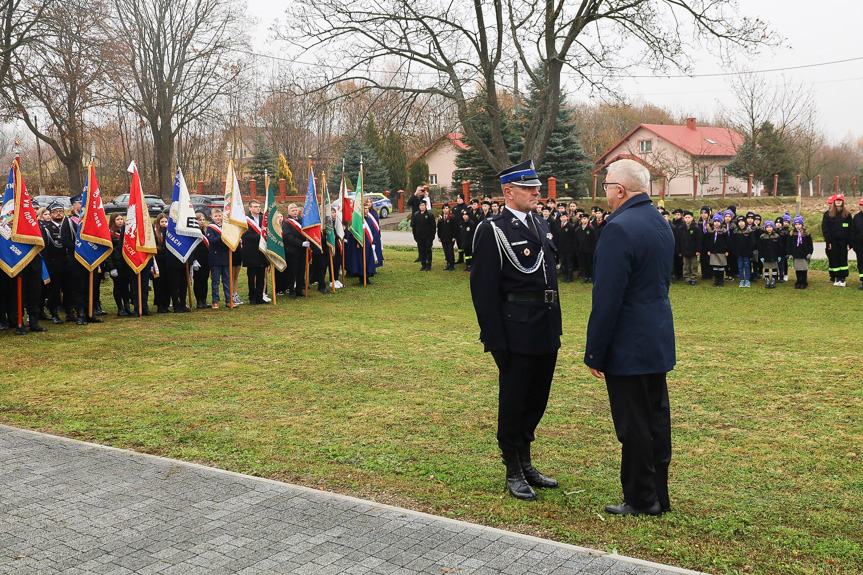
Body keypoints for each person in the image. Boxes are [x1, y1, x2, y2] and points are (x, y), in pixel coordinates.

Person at [584, 159, 675, 517]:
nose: (604, 192)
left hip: (628, 343)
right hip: (655, 337)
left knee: (633, 425)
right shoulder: (658, 221)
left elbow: (608, 297)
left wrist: (595, 352)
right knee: (655, 420)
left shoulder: (619, 227)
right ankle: (659, 495)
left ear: (620, 190)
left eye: (606, 185)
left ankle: (641, 498)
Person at [470, 159, 561, 502]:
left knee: (537, 399)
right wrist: (494, 339)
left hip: (545, 326)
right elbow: (483, 290)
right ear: (508, 192)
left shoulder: (539, 223)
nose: (537, 192)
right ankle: (512, 467)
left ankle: (526, 462)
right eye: (529, 188)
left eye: (537, 187)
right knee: (514, 401)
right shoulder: (493, 229)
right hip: (515, 330)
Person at [822, 194, 852, 287]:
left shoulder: (847, 215)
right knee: (834, 259)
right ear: (834, 202)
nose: (838, 201)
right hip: (833, 242)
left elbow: (851, 230)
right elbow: (825, 229)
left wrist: (849, 243)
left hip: (843, 242)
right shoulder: (828, 214)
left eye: (840, 200)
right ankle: (837, 278)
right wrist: (828, 242)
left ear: (843, 202)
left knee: (843, 259)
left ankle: (843, 278)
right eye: (837, 200)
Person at [242, 200, 268, 304]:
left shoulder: (263, 219)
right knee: (252, 276)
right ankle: (252, 297)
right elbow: (246, 236)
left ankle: (259, 296)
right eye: (255, 206)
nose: (258, 208)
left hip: (261, 251)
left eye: (259, 206)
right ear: (250, 208)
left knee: (261, 275)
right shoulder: (245, 220)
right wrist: (261, 236)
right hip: (251, 252)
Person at [106, 213, 133, 316]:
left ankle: (127, 306)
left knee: (126, 286)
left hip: (126, 264)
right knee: (118, 286)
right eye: (118, 219)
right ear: (113, 221)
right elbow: (109, 252)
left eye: (122, 219)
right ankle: (120, 308)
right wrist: (111, 268)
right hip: (116, 265)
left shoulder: (126, 232)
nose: (120, 221)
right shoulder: (110, 234)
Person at [206, 208, 231, 309]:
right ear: (212, 217)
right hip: (215, 258)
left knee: (227, 280)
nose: (218, 218)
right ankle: (215, 301)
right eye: (216, 216)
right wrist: (222, 236)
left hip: (225, 256)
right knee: (215, 281)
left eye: (219, 216)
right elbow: (212, 240)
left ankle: (229, 300)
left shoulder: (226, 226)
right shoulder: (210, 228)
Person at [191, 212, 211, 308]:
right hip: (197, 260)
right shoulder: (194, 232)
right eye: (200, 220)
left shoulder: (205, 231)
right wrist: (194, 260)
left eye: (203, 220)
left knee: (205, 280)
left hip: (206, 260)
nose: (202, 222)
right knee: (198, 281)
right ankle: (199, 301)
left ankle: (204, 299)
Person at [675, 210, 700, 286]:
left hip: (693, 250)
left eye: (689, 217)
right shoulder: (681, 229)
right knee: (686, 265)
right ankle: (687, 278)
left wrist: (698, 250)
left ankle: (694, 278)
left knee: (694, 265)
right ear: (683, 218)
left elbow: (699, 240)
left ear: (692, 218)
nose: (687, 219)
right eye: (686, 217)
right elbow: (678, 241)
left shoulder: (696, 228)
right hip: (684, 250)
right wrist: (679, 251)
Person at [704, 213, 729, 287]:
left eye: (718, 222)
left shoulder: (724, 231)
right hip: (713, 251)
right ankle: (716, 280)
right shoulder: (711, 231)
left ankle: (721, 280)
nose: (716, 223)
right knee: (715, 266)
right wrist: (708, 250)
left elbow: (727, 241)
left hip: (721, 251)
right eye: (715, 221)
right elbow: (708, 241)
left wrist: (727, 250)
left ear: (721, 222)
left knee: (721, 266)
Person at [789, 215, 813, 289]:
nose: (797, 226)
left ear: (802, 225)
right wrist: (790, 253)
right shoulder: (792, 234)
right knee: (798, 269)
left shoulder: (806, 234)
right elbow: (789, 245)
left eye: (799, 224)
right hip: (796, 254)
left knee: (803, 268)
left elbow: (810, 245)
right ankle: (798, 280)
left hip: (804, 254)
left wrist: (809, 253)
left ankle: (804, 281)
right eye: (796, 224)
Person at [411, 200, 436, 271]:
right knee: (421, 251)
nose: (421, 207)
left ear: (426, 206)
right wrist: (415, 235)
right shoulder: (416, 215)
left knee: (428, 250)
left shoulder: (430, 215)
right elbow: (414, 226)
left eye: (423, 205)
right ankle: (423, 264)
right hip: (419, 237)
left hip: (428, 237)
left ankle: (428, 265)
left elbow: (433, 227)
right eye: (420, 205)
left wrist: (432, 237)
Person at [731, 215, 754, 288]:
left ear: (745, 222)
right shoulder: (735, 231)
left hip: (747, 252)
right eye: (739, 222)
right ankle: (741, 280)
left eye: (742, 221)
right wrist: (734, 251)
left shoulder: (749, 231)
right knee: (740, 266)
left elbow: (752, 242)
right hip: (738, 252)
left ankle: (747, 280)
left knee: (747, 266)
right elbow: (733, 242)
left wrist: (750, 251)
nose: (741, 223)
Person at [758, 220, 781, 289]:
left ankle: (773, 280)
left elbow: (780, 247)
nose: (769, 228)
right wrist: (761, 256)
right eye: (767, 227)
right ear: (765, 228)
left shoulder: (777, 236)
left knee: (774, 269)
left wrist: (779, 255)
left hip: (774, 255)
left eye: (770, 227)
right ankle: (767, 281)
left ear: (773, 228)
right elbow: (760, 247)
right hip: (766, 256)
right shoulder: (762, 237)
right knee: (767, 269)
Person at [575, 212, 596, 283]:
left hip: (589, 250)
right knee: (584, 264)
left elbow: (593, 241)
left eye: (585, 219)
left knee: (589, 264)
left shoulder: (591, 229)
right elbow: (576, 240)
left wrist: (593, 250)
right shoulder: (578, 229)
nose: (583, 220)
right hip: (581, 250)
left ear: (588, 219)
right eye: (582, 219)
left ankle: (591, 277)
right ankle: (586, 276)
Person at [437, 203, 457, 271]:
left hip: (450, 237)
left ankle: (452, 264)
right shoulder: (441, 218)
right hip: (443, 237)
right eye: (444, 208)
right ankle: (448, 263)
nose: (445, 210)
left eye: (447, 208)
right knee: (446, 251)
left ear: (449, 209)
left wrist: (454, 237)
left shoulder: (452, 217)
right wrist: (439, 236)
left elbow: (454, 228)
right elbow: (439, 228)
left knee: (450, 251)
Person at [557, 212, 576, 283]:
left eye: (564, 217)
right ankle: (565, 276)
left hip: (569, 248)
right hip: (562, 248)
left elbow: (573, 238)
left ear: (567, 218)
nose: (562, 218)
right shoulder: (559, 226)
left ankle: (570, 277)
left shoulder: (570, 226)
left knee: (569, 263)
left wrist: (572, 248)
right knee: (564, 263)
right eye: (561, 217)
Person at [853, 199, 863, 290]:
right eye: (861, 205)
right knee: (861, 262)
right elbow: (853, 232)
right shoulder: (856, 217)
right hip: (859, 244)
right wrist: (854, 244)